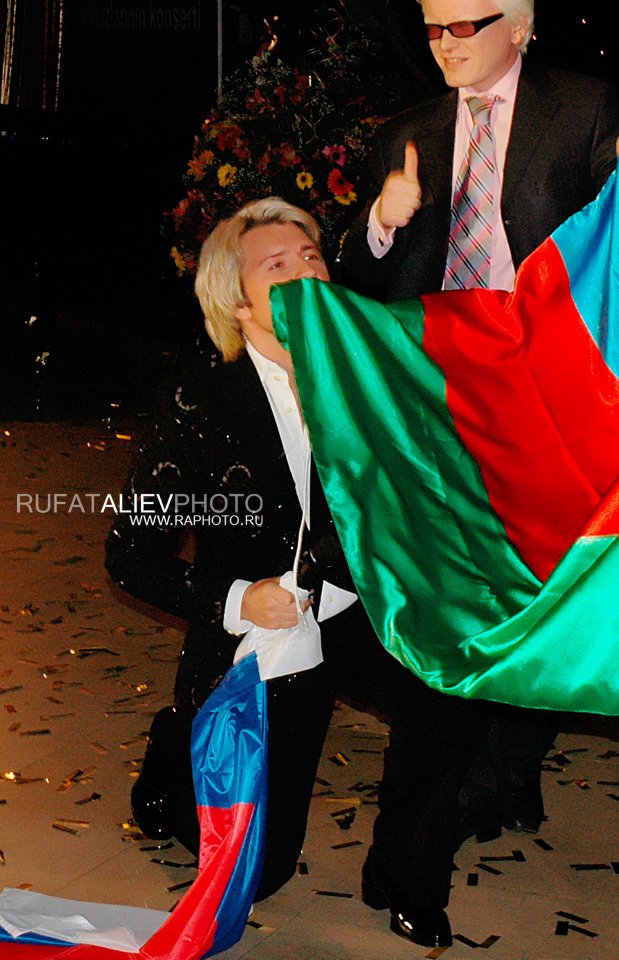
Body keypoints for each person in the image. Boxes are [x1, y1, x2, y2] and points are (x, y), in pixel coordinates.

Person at [105, 197, 487, 949]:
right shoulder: (199, 400)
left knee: (449, 686)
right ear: (238, 303)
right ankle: (173, 758)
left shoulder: (366, 378)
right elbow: (130, 554)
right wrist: (240, 599)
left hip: (355, 608)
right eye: (276, 266)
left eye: (312, 258)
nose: (305, 273)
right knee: (265, 869)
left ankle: (405, 877)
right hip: (260, 632)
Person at [337, 0, 619, 840]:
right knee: (452, 581)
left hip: (542, 387)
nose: (445, 44)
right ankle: (465, 772)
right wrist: (382, 222)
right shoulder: (407, 132)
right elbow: (355, 279)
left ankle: (507, 770)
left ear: (521, 25)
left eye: (464, 25)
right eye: (433, 26)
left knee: (534, 580)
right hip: (436, 391)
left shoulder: (582, 109)